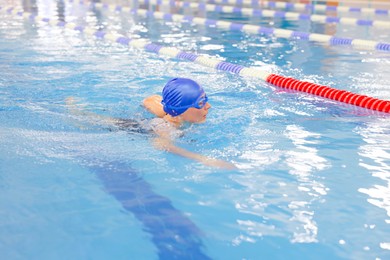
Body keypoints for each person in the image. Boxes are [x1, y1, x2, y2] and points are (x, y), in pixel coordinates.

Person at [66, 77, 236, 170]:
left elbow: (149, 100)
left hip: (145, 121)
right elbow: (160, 144)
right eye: (200, 103)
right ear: (182, 111)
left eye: (206, 99)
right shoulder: (167, 128)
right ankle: (75, 112)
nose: (208, 106)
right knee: (91, 121)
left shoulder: (170, 113)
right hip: (136, 128)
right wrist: (203, 159)